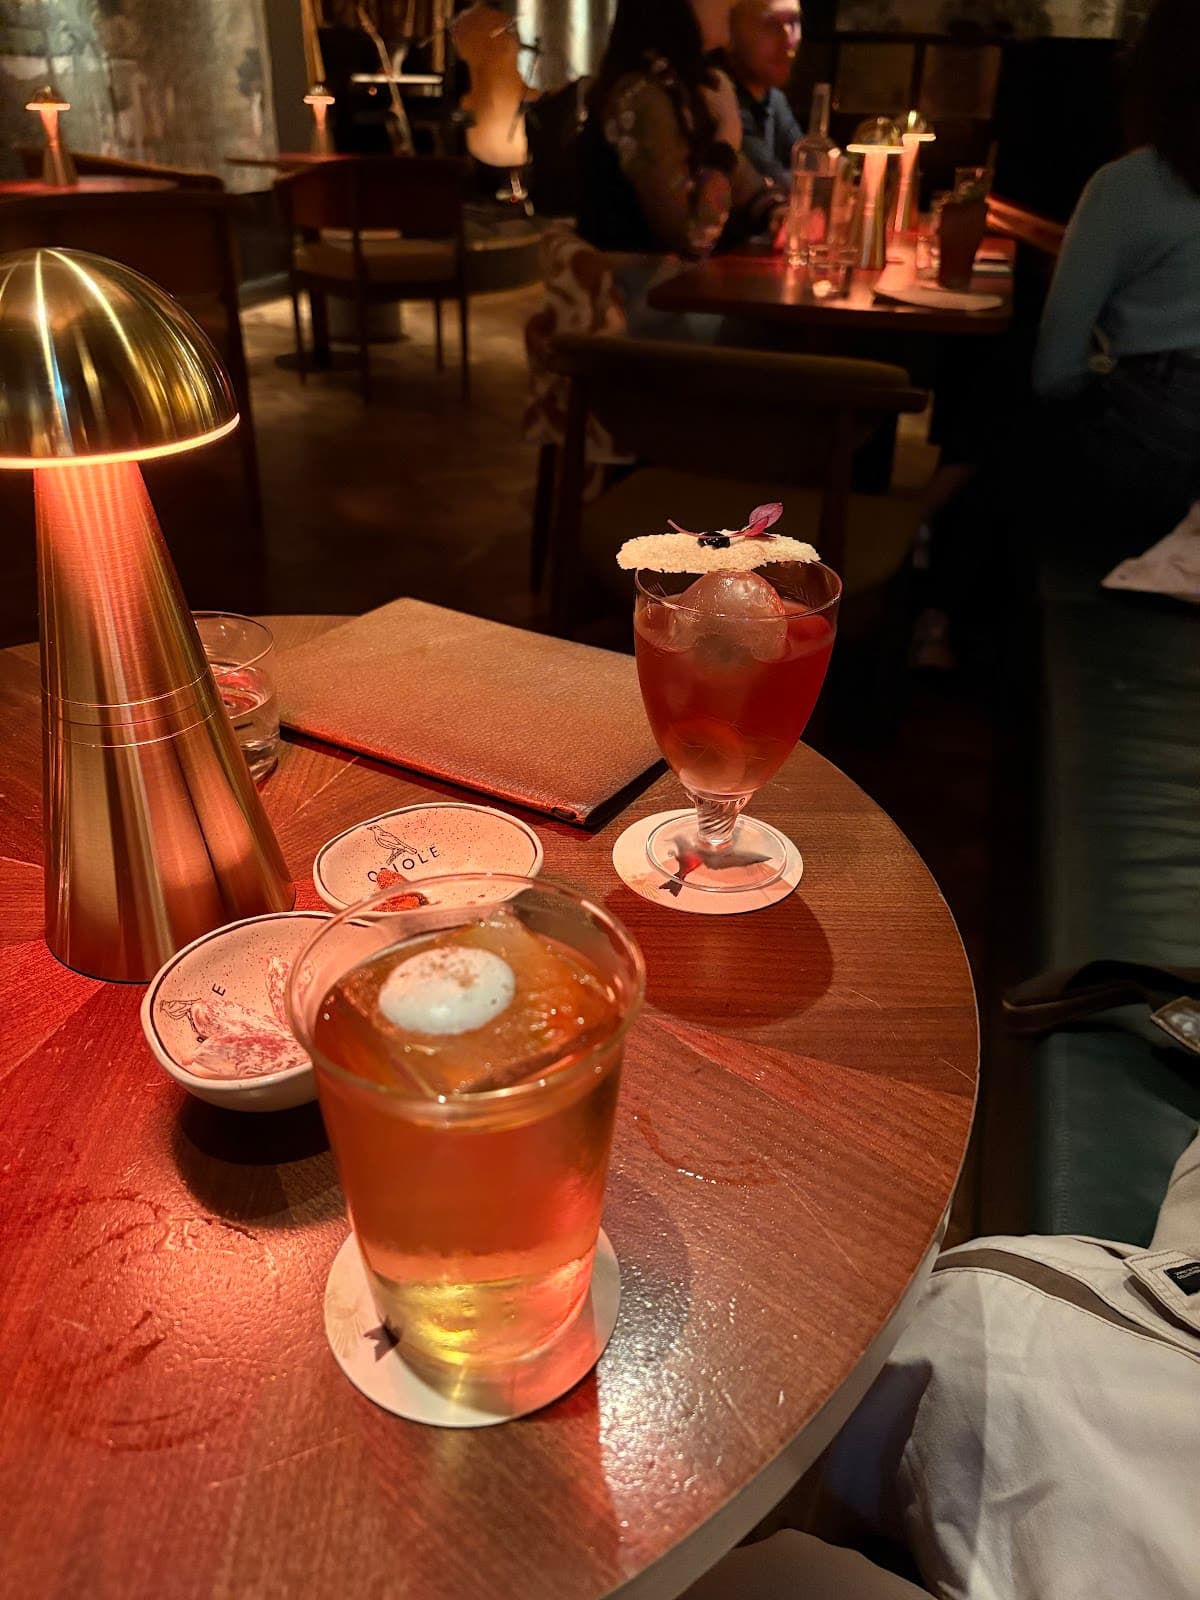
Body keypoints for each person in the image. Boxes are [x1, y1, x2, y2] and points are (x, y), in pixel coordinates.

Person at [1029, 0, 1200, 537]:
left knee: (1009, 422)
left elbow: (1054, 373)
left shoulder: (1132, 185)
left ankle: (947, 602)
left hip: (1162, 451)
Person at [576, 0, 785, 325]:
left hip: (679, 295)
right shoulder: (643, 94)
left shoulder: (684, 86)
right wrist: (727, 139)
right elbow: (691, 236)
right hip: (641, 315)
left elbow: (747, 185)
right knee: (779, 330)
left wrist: (777, 212)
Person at [724, 0, 804, 188]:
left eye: (794, 21)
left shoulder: (774, 99)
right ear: (729, 32)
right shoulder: (719, 96)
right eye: (771, 24)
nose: (789, 39)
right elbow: (770, 177)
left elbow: (811, 162)